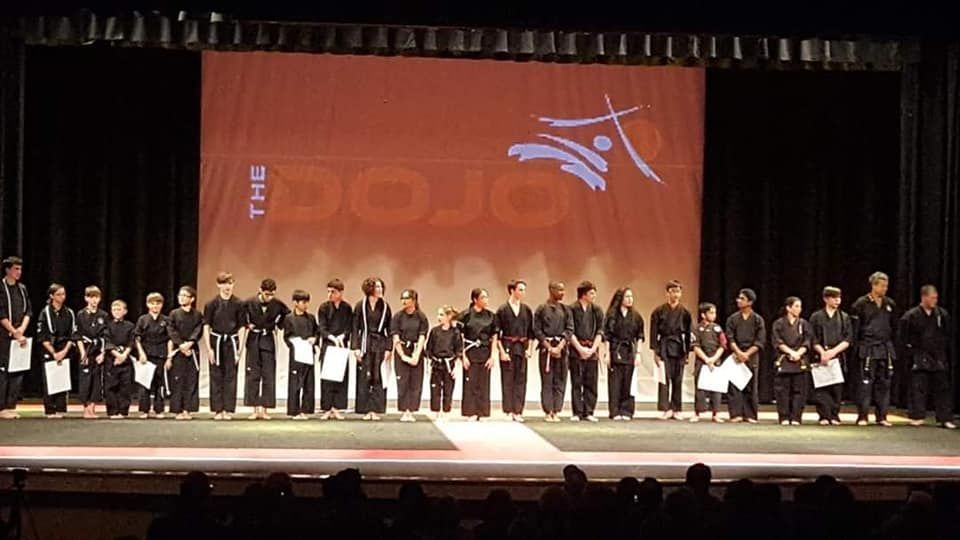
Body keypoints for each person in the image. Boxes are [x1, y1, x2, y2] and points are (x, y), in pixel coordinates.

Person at [900, 285, 956, 429]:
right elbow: (903, 337)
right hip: (920, 355)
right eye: (932, 298)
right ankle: (917, 416)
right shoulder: (911, 316)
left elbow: (947, 334)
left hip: (938, 356)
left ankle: (944, 418)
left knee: (943, 388)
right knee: (918, 387)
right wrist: (910, 354)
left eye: (936, 298)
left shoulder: (941, 314)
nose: (934, 301)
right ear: (924, 297)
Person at [850, 271, 897, 426]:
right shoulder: (861, 303)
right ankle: (862, 416)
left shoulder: (889, 303)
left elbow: (893, 326)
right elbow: (856, 329)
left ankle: (882, 416)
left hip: (884, 347)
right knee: (865, 383)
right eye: (882, 286)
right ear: (874, 285)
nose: (885, 289)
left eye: (886, 286)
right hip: (867, 347)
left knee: (884, 383)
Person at [242, 278, 289, 420]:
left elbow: (287, 315)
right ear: (261, 290)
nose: (269, 297)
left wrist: (278, 324)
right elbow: (240, 316)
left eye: (272, 294)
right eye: (267, 294)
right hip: (254, 339)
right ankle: (255, 408)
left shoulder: (277, 304)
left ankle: (266, 408)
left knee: (268, 374)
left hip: (268, 338)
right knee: (253, 374)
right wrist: (246, 324)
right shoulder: (249, 302)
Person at [203, 272, 247, 421]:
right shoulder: (211, 304)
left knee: (230, 375)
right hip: (216, 341)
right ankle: (217, 409)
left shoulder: (239, 304)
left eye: (230, 283)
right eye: (224, 283)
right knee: (215, 375)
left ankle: (228, 409)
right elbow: (206, 326)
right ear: (219, 285)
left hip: (232, 342)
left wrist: (240, 349)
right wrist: (209, 349)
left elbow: (242, 327)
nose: (227, 286)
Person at [809, 286, 853, 425]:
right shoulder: (816, 317)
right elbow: (812, 338)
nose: (837, 301)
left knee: (836, 387)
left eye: (839, 298)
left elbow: (848, 339)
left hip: (837, 355)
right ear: (826, 299)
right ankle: (823, 415)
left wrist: (833, 352)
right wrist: (822, 352)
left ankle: (834, 415)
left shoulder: (844, 317)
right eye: (834, 298)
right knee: (822, 387)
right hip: (820, 355)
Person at [651, 280, 693, 420]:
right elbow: (653, 332)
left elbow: (687, 334)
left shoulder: (685, 313)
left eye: (678, 291)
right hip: (664, 345)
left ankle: (677, 408)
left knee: (678, 379)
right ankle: (665, 408)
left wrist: (687, 353)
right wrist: (655, 352)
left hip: (679, 346)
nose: (675, 294)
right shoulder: (658, 311)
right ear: (667, 293)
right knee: (664, 378)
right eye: (673, 291)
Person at [495, 279, 535, 422]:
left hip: (521, 347)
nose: (523, 293)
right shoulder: (502, 310)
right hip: (507, 346)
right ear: (512, 290)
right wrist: (501, 352)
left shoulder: (527, 310)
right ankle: (508, 410)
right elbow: (497, 334)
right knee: (507, 379)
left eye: (524, 290)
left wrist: (529, 349)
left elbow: (531, 333)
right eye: (520, 289)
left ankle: (518, 410)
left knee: (521, 379)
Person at [352, 277, 391, 421]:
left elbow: (389, 329)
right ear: (370, 289)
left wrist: (388, 348)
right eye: (377, 287)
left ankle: (376, 409)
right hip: (365, 342)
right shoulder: (359, 306)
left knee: (377, 376)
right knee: (364, 376)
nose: (380, 290)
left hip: (380, 343)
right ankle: (365, 409)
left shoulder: (386, 307)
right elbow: (355, 328)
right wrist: (355, 347)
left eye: (381, 287)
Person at [533, 282, 573, 422]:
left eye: (563, 290)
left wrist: (560, 346)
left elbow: (569, 329)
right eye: (559, 290)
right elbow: (537, 330)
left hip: (561, 349)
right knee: (547, 380)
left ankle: (556, 410)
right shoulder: (542, 309)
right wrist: (549, 347)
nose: (562, 292)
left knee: (560, 380)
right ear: (551, 290)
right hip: (547, 349)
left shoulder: (566, 309)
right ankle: (548, 410)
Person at [603, 288, 645, 420]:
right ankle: (614, 411)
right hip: (615, 349)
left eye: (631, 296)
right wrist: (607, 354)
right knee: (615, 383)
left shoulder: (636, 316)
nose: (630, 299)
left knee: (628, 382)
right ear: (620, 298)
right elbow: (607, 336)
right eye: (627, 296)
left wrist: (638, 353)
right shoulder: (611, 315)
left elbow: (640, 336)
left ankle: (627, 411)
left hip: (629, 351)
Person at [37, 283, 78, 418]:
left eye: (64, 294)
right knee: (49, 378)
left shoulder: (69, 312)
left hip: (64, 348)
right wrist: (54, 352)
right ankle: (50, 409)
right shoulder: (45, 313)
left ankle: (61, 407)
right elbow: (42, 335)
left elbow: (73, 335)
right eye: (59, 294)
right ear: (51, 296)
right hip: (49, 349)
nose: (62, 297)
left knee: (62, 379)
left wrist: (64, 351)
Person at [725, 288, 766, 423]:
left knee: (751, 385)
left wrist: (747, 354)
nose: (738, 300)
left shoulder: (758, 319)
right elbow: (730, 338)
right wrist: (738, 352)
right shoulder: (733, 319)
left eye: (742, 298)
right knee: (735, 384)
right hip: (736, 353)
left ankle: (750, 414)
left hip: (751, 355)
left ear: (750, 302)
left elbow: (760, 340)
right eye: (739, 298)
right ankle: (735, 413)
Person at [459, 288, 500, 420]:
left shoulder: (491, 316)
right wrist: (463, 356)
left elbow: (494, 337)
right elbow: (459, 337)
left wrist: (493, 356)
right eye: (483, 297)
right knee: (470, 382)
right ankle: (470, 412)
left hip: (484, 351)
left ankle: (482, 412)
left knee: (483, 382)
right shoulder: (465, 315)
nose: (486, 300)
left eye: (487, 297)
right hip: (470, 352)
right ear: (475, 300)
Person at [771, 296, 813, 425]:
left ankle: (796, 417)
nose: (799, 309)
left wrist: (798, 353)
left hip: (799, 359)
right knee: (782, 390)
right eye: (796, 306)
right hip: (784, 358)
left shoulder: (803, 324)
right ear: (788, 308)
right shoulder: (778, 323)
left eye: (800, 306)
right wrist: (790, 352)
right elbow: (777, 341)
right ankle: (784, 416)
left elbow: (807, 341)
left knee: (799, 390)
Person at [568, 281, 604, 422]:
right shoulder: (571, 309)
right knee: (576, 381)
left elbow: (600, 331)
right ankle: (577, 412)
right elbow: (570, 330)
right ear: (583, 294)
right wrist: (580, 348)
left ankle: (589, 411)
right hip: (576, 348)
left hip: (592, 349)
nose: (594, 295)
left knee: (591, 382)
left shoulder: (597, 310)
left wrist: (593, 349)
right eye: (591, 293)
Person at [0, 256, 31, 420]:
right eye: (15, 269)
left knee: (17, 371)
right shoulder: (1, 287)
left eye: (20, 269)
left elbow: (28, 311)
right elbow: (2, 313)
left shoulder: (22, 288)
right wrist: (13, 331)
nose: (18, 272)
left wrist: (21, 330)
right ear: (7, 270)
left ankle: (11, 405)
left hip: (20, 335)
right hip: (4, 336)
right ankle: (2, 406)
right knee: (3, 371)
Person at [317, 279, 352, 420]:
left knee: (340, 378)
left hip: (341, 344)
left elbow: (350, 327)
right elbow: (322, 328)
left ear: (340, 293)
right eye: (329, 291)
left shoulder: (347, 308)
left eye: (333, 292)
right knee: (327, 379)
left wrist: (342, 336)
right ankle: (327, 408)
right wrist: (332, 337)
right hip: (329, 344)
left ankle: (337, 408)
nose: (330, 294)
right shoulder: (323, 308)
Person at [391, 289, 428, 422]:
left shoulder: (421, 317)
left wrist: (416, 355)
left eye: (406, 298)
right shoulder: (397, 317)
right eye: (402, 298)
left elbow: (422, 336)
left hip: (416, 351)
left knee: (415, 382)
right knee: (403, 382)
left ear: (413, 300)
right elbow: (395, 338)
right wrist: (403, 356)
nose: (404, 301)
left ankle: (411, 410)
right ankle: (404, 410)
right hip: (402, 351)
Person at [167, 286, 203, 421]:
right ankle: (178, 410)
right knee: (178, 381)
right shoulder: (174, 314)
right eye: (180, 295)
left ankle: (188, 409)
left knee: (191, 381)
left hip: (192, 350)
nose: (181, 298)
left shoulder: (197, 314)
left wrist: (190, 342)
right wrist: (181, 344)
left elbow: (198, 329)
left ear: (192, 299)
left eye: (185, 295)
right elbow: (171, 330)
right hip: (178, 351)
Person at [284, 289, 318, 420]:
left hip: (308, 354)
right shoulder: (289, 319)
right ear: (295, 303)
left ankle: (306, 410)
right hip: (296, 355)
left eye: (306, 302)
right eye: (303, 302)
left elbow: (316, 332)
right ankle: (294, 411)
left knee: (308, 383)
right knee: (295, 383)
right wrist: (295, 343)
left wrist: (314, 339)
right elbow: (286, 337)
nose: (305, 305)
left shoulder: (311, 318)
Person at [135, 293, 170, 418]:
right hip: (146, 354)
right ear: (147, 304)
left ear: (161, 305)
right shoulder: (143, 319)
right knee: (145, 383)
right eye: (152, 303)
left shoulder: (166, 320)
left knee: (159, 383)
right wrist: (141, 353)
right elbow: (137, 338)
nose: (155, 306)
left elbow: (169, 339)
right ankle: (144, 410)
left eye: (158, 303)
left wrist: (169, 356)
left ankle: (159, 409)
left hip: (161, 353)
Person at [690, 302, 726, 423]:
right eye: (711, 312)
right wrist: (706, 359)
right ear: (703, 315)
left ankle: (716, 413)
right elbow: (695, 346)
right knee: (700, 388)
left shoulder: (718, 328)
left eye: (714, 312)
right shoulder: (696, 328)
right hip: (702, 361)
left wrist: (714, 359)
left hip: (715, 360)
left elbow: (722, 345)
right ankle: (697, 412)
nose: (713, 315)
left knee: (716, 388)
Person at [76, 285, 108, 419]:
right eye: (91, 297)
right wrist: (82, 352)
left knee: (96, 380)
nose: (94, 300)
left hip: (98, 350)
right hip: (86, 349)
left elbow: (106, 336)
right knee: (85, 379)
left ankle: (92, 408)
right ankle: (85, 407)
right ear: (86, 298)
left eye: (97, 297)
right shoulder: (81, 314)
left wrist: (103, 353)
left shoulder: (103, 315)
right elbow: (77, 335)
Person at [425, 305, 462, 420]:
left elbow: (458, 350)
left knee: (448, 388)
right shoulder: (434, 331)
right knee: (435, 388)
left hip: (449, 364)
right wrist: (429, 362)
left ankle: (446, 411)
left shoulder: (455, 332)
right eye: (438, 314)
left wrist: (456, 367)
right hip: (436, 363)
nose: (439, 317)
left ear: (449, 316)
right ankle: (435, 410)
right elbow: (429, 349)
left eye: (441, 314)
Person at [104, 299, 135, 418]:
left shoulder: (130, 326)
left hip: (125, 359)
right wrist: (116, 354)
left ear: (125, 311)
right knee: (111, 386)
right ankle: (112, 411)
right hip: (112, 359)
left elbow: (131, 342)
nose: (116, 312)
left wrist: (124, 355)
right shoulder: (108, 325)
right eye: (114, 309)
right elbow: (107, 341)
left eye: (119, 309)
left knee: (125, 386)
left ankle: (123, 411)